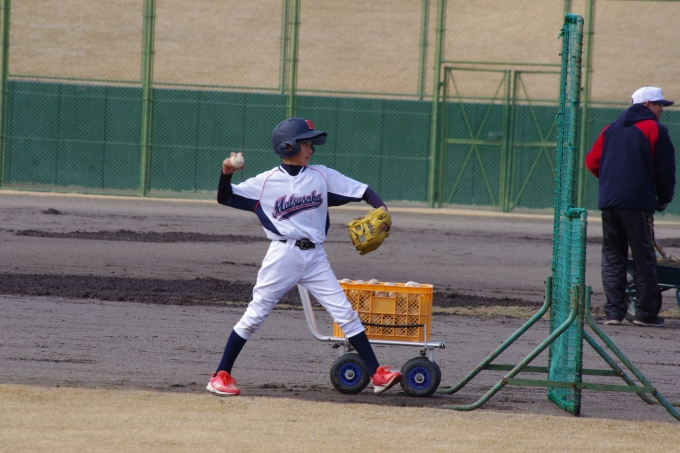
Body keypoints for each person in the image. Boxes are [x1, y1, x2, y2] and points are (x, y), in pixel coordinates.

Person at [206, 117, 402, 395]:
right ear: (287, 146)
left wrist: (381, 208)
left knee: (344, 312)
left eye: (311, 143)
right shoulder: (266, 182)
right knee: (255, 315)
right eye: (306, 143)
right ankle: (220, 375)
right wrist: (226, 173)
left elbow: (363, 191)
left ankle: (377, 374)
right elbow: (225, 197)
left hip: (316, 258)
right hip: (282, 255)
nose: (311, 148)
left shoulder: (322, 176)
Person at [585, 86, 676, 328]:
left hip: (609, 201)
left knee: (613, 256)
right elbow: (665, 170)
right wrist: (663, 199)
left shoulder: (610, 129)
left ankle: (614, 313)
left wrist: (612, 182)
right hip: (637, 203)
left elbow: (591, 162)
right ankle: (645, 314)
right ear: (647, 105)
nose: (662, 109)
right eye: (659, 104)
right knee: (643, 257)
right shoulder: (654, 129)